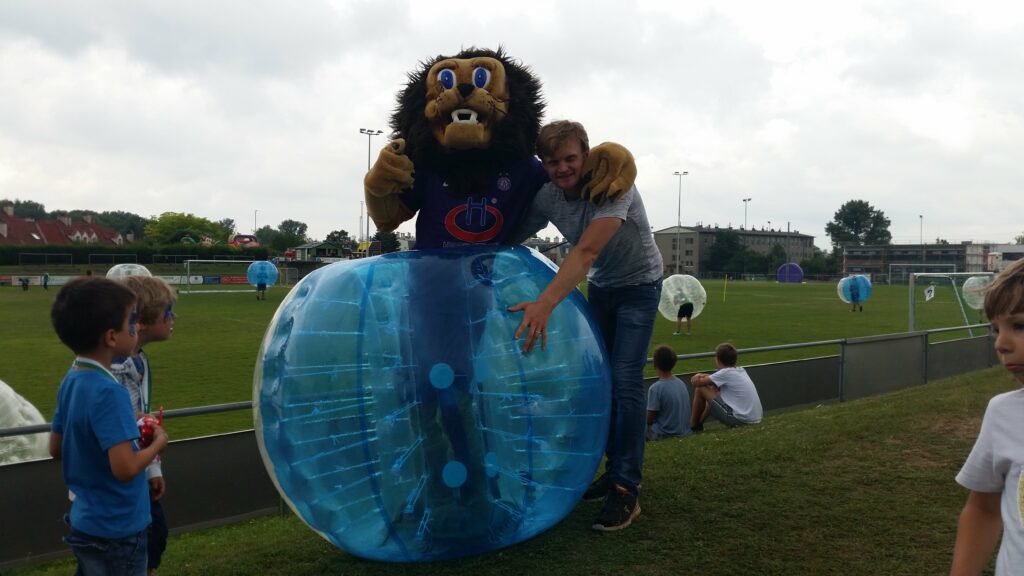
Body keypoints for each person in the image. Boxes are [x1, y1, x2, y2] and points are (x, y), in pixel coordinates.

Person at [509, 120, 663, 532]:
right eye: (553, 161)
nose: (562, 168)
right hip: (603, 288)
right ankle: (614, 473)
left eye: (570, 158)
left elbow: (587, 250)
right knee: (601, 381)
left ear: (586, 154)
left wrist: (545, 303)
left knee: (625, 380)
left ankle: (627, 489)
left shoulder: (614, 186)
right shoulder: (548, 194)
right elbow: (514, 231)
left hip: (639, 287)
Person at [49, 277, 169, 575]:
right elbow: (125, 467)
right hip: (119, 527)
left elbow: (55, 447)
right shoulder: (110, 390)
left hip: (84, 521)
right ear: (111, 337)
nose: (136, 328)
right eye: (132, 321)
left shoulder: (71, 380)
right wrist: (158, 443)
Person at [950, 258, 1024, 575]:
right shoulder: (1003, 413)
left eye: (1020, 326)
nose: (1001, 344)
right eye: (996, 329)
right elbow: (983, 509)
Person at [111, 276, 177, 575]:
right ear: (144, 318)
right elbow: (124, 427)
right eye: (168, 310)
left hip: (138, 471)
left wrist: (153, 469)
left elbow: (141, 420)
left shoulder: (138, 361)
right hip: (118, 482)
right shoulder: (113, 369)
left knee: (153, 535)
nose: (173, 317)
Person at [689, 342, 763, 431]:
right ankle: (698, 425)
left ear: (718, 360)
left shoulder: (725, 373)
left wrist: (697, 376)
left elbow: (697, 383)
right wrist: (703, 376)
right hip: (755, 418)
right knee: (714, 390)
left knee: (701, 389)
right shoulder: (740, 370)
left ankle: (693, 426)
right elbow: (714, 378)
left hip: (740, 420)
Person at [646, 345, 692, 440]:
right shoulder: (681, 383)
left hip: (665, 434)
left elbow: (649, 419)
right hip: (684, 431)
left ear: (655, 363)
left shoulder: (655, 388)